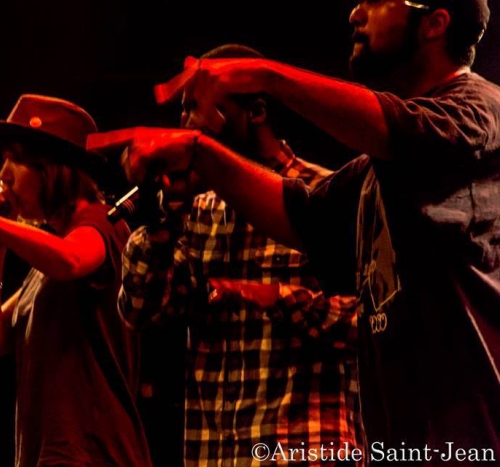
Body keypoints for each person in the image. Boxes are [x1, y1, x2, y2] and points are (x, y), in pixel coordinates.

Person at [89, 0, 500, 465]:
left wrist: (266, 75)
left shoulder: (481, 110)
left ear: (436, 22)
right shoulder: (373, 175)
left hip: (471, 437)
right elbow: (302, 216)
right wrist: (195, 150)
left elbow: (405, 130)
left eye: (376, 0)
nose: (355, 12)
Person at [118, 43, 364, 467]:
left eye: (196, 109)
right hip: (216, 454)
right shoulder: (196, 210)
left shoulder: (327, 195)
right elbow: (140, 311)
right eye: (182, 112)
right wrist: (163, 217)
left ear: (256, 112)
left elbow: (377, 322)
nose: (184, 127)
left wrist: (280, 299)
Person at [0, 94, 153, 467]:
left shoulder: (100, 224)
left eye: (16, 159)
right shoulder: (45, 263)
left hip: (93, 455)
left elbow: (72, 260)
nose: (3, 175)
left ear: (55, 168)